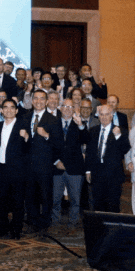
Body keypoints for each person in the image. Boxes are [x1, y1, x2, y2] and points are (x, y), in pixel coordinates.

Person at [21, 89, 63, 235]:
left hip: (45, 166)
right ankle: (32, 222)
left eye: (41, 99)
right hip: (28, 166)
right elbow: (21, 144)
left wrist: (46, 135)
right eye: (36, 98)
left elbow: (59, 144)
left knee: (45, 196)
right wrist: (25, 139)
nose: (38, 101)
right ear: (32, 101)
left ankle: (44, 224)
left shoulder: (53, 120)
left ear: (46, 101)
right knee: (30, 196)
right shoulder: (25, 118)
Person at [0, 99, 29, 239]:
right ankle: (3, 228)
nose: (9, 110)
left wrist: (26, 138)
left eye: (12, 107)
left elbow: (28, 149)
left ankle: (16, 230)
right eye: (5, 107)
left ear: (16, 110)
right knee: (1, 201)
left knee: (18, 202)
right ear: (1, 111)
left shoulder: (23, 126)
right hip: (1, 168)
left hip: (17, 170)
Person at [51, 99, 89, 233]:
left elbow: (86, 139)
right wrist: (56, 161)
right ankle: (55, 223)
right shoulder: (53, 123)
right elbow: (49, 145)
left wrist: (81, 125)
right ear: (60, 108)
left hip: (75, 169)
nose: (67, 108)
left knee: (75, 200)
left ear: (74, 109)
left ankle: (73, 223)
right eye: (65, 106)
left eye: (70, 106)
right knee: (55, 199)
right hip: (57, 168)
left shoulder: (79, 123)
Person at [84, 105, 131, 212]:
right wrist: (88, 170)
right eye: (101, 114)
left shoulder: (121, 130)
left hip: (113, 175)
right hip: (97, 174)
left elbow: (125, 149)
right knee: (97, 205)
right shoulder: (93, 131)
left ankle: (112, 224)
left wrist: (118, 136)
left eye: (106, 114)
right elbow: (89, 152)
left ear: (111, 116)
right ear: (98, 116)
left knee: (113, 206)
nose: (104, 117)